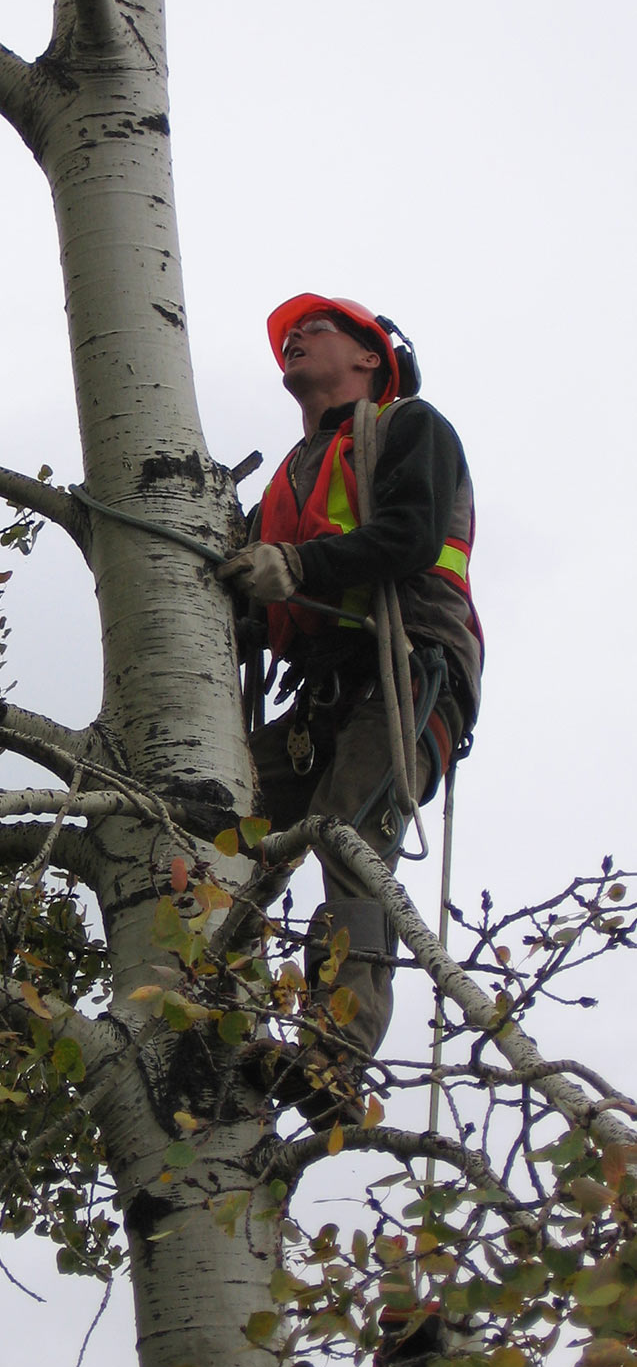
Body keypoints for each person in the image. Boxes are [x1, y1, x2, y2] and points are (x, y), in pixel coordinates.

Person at [219, 294, 482, 1130]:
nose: (294, 339)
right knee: (215, 818)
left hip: (407, 667)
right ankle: (207, 1011)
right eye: (289, 336)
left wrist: (296, 568)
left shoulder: (407, 427)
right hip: (320, 691)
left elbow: (409, 536)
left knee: (347, 838)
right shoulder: (286, 478)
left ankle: (334, 1053)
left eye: (316, 329)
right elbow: (257, 608)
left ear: (371, 358)